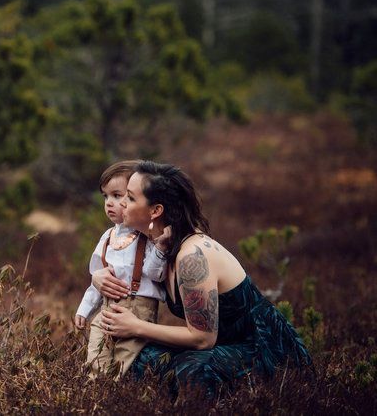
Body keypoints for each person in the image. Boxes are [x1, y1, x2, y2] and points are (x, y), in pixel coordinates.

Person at [93, 160, 311, 396]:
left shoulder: (192, 256)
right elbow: (125, 271)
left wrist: (136, 327)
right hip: (222, 346)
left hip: (263, 349)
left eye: (130, 198)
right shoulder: (158, 246)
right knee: (140, 358)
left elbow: (202, 338)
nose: (121, 202)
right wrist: (97, 277)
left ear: (156, 210)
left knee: (191, 367)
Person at [74, 160, 167, 378]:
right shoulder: (108, 237)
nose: (109, 203)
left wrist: (161, 248)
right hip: (106, 309)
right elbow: (98, 279)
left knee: (125, 363)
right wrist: (84, 310)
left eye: (118, 195)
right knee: (96, 357)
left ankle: (117, 395)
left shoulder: (148, 237)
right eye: (105, 196)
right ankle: (97, 395)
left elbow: (156, 274)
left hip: (139, 311)